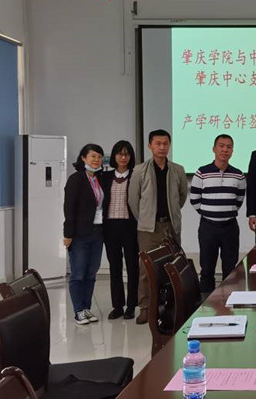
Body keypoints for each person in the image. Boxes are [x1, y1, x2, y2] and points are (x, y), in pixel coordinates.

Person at [128, 129, 188, 325]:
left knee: (172, 267)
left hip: (170, 226)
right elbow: (133, 200)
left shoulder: (178, 170)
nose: (162, 147)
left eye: (165, 143)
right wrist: (145, 219)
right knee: (146, 269)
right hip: (148, 229)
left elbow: (181, 197)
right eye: (158, 143)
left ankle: (170, 305)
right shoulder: (139, 171)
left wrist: (171, 215)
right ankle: (146, 308)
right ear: (150, 146)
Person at [190, 134, 246, 297]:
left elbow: (239, 200)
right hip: (208, 227)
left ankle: (228, 302)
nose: (225, 150)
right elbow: (194, 199)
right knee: (207, 268)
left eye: (229, 147)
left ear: (232, 151)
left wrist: (224, 211)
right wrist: (209, 212)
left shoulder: (238, 175)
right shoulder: (202, 172)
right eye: (221, 146)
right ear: (214, 149)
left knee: (230, 268)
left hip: (230, 227)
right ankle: (205, 303)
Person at [63, 143, 105, 325]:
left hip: (97, 232)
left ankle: (87, 308)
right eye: (93, 156)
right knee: (78, 273)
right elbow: (69, 208)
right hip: (79, 234)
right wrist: (68, 234)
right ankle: (78, 311)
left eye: (99, 157)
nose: (96, 160)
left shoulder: (99, 179)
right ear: (83, 158)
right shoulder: (76, 179)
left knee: (91, 273)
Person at [100, 140, 139, 320]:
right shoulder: (105, 176)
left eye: (127, 154)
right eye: (120, 154)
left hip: (130, 226)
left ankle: (131, 305)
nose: (123, 157)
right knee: (114, 266)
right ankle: (117, 306)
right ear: (114, 156)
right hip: (110, 227)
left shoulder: (136, 176)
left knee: (132, 266)